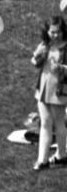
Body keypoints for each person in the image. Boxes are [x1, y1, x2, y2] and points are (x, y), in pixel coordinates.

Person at [31, 17, 67, 170]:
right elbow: (35, 62)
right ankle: (43, 160)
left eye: (58, 32)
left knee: (59, 123)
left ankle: (61, 155)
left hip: (60, 90)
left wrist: (63, 69)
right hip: (44, 89)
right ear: (47, 31)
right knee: (45, 124)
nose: (55, 35)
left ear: (63, 31)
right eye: (52, 32)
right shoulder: (45, 44)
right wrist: (37, 57)